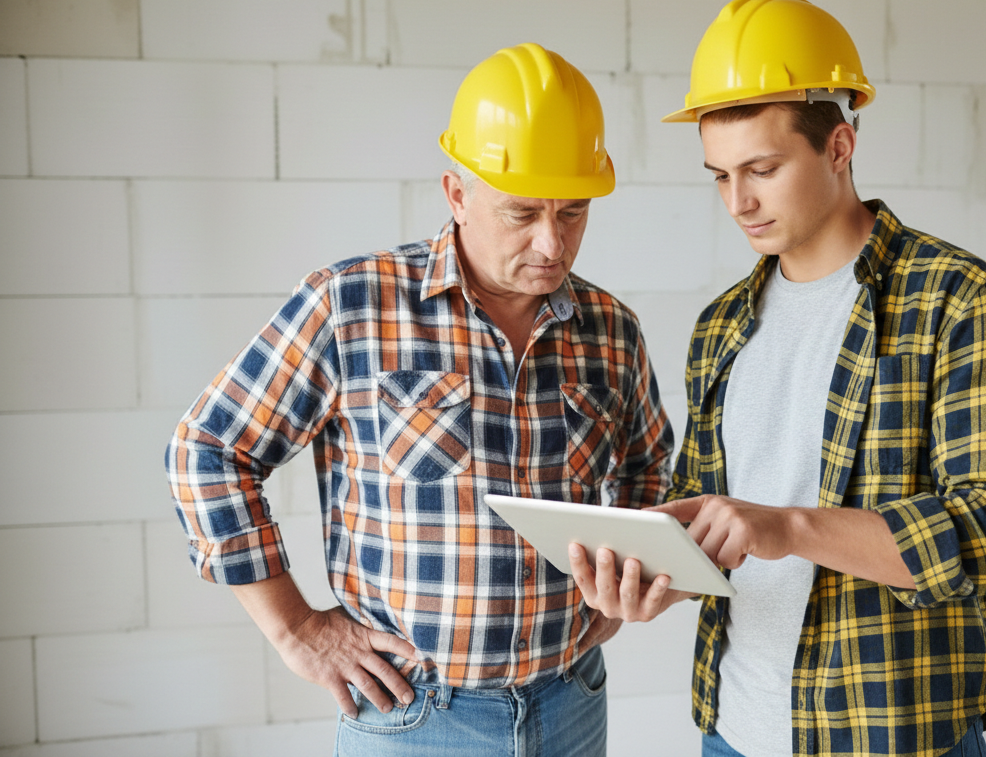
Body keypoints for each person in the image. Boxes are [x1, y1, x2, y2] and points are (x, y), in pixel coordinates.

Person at [166, 42, 674, 757]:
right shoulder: (351, 305)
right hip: (414, 717)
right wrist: (296, 630)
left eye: (573, 213)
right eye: (521, 212)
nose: (552, 244)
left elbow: (651, 470)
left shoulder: (611, 329)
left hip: (572, 701)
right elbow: (208, 450)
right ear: (457, 194)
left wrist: (626, 583)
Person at [569, 0, 986, 756]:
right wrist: (658, 572)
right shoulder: (721, 326)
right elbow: (720, 536)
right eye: (719, 176)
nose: (739, 202)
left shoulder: (955, 298)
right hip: (734, 729)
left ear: (840, 147)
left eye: (762, 168)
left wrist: (786, 527)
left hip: (894, 733)